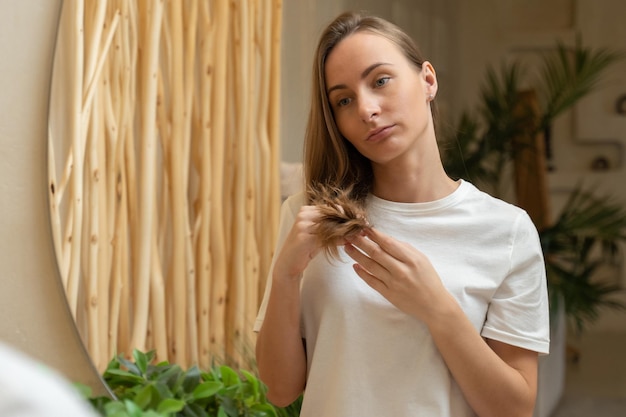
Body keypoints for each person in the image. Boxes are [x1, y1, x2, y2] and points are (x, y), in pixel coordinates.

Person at [254, 10, 550, 417]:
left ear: (427, 80)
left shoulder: (507, 230)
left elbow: (514, 410)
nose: (366, 108)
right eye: (344, 100)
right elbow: (279, 390)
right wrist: (285, 275)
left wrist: (436, 307)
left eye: (380, 80)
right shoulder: (311, 217)